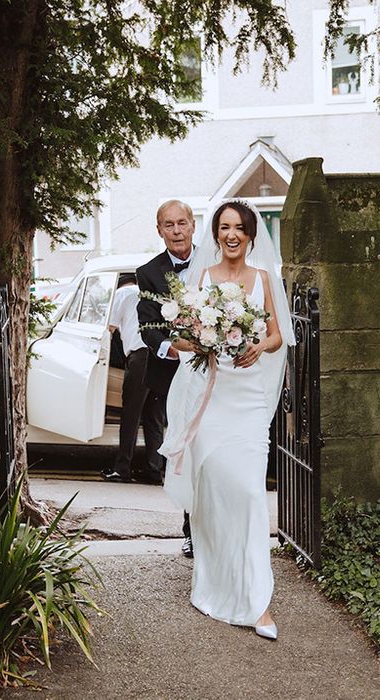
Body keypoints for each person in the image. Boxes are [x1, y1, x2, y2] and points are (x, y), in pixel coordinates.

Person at [160, 199, 294, 641]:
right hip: (214, 397)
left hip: (250, 400)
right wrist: (199, 342)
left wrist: (262, 347)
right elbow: (180, 334)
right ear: (215, 234)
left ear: (251, 234)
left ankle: (258, 602)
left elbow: (278, 334)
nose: (231, 234)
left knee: (250, 492)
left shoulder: (264, 279)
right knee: (216, 491)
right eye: (224, 227)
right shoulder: (201, 278)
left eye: (238, 227)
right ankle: (215, 581)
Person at [136, 200, 197, 557]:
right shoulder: (148, 272)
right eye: (168, 225)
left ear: (193, 225)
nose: (176, 231)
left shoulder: (214, 264)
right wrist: (173, 348)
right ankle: (190, 530)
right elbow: (148, 327)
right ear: (159, 231)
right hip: (176, 377)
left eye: (182, 223)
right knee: (184, 453)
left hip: (215, 375)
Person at [101, 274, 165, 484]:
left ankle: (122, 467)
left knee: (131, 413)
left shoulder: (121, 293)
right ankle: (154, 469)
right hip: (160, 355)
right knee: (154, 415)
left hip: (140, 357)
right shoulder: (151, 294)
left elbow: (109, 329)